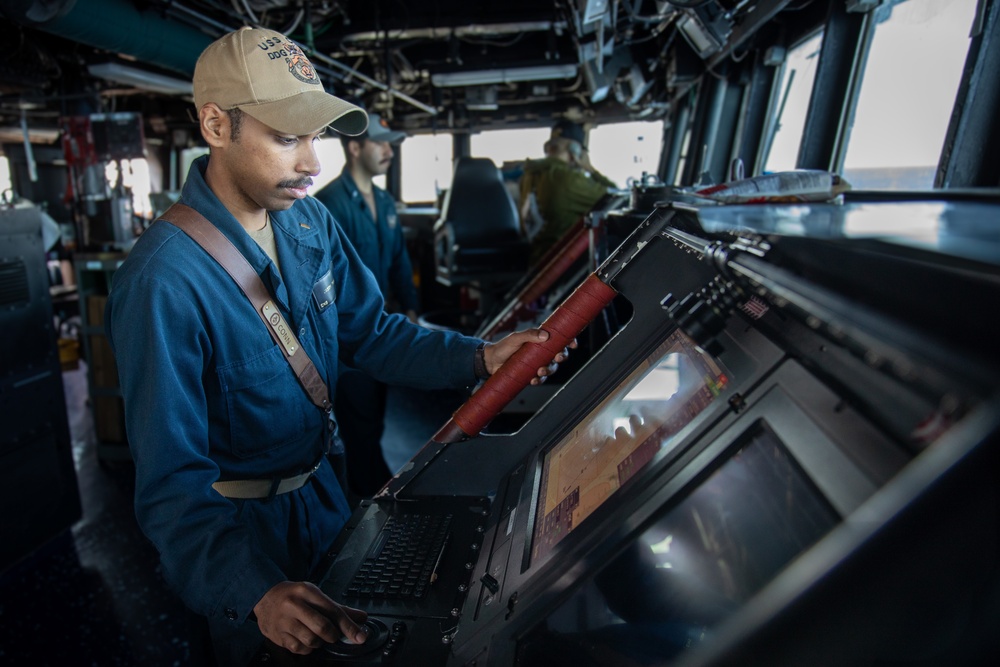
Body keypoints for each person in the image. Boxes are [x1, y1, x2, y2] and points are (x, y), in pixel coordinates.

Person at [104, 26, 570, 666]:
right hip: (244, 536)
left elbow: (372, 332)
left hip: (328, 493)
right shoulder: (164, 282)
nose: (312, 163)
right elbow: (170, 487)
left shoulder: (308, 221)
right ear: (216, 125)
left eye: (316, 136)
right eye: (287, 138)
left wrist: (479, 357)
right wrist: (255, 590)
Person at [313, 110, 416, 500]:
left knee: (375, 415)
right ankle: (370, 498)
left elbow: (399, 261)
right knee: (360, 420)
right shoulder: (328, 208)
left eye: (391, 144)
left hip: (384, 326)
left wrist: (410, 306)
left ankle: (369, 488)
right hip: (348, 333)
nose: (388, 151)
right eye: (380, 143)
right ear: (354, 147)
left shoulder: (386, 202)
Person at [518, 119, 617, 265]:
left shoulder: (528, 175)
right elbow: (615, 198)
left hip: (536, 258)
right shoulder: (569, 179)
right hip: (563, 262)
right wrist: (591, 169)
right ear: (574, 150)